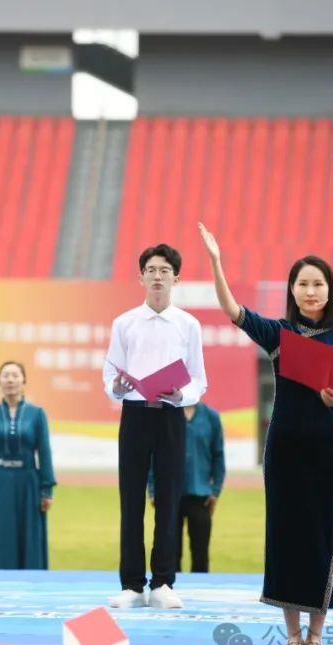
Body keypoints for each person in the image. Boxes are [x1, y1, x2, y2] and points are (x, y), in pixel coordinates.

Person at [200, 225, 333, 645]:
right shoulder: (278, 334)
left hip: (330, 452)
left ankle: (317, 636)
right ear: (292, 290)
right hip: (286, 451)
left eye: (318, 283)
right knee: (285, 538)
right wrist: (218, 263)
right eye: (303, 283)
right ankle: (291, 635)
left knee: (320, 539)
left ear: (329, 291)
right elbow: (233, 311)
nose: (311, 291)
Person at [102, 244, 207, 610]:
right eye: (151, 269)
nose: (158, 276)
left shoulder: (188, 325)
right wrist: (117, 387)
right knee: (131, 500)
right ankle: (132, 584)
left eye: (165, 270)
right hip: (134, 415)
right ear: (141, 277)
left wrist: (182, 394)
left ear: (176, 278)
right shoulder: (124, 323)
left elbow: (199, 380)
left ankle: (163, 582)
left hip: (169, 415)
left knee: (168, 499)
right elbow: (110, 375)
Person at [0, 361, 55, 569]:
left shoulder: (37, 414)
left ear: (23, 381)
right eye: (6, 375)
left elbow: (44, 451)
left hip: (28, 481)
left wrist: (46, 490)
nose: (10, 380)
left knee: (27, 532)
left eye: (15, 375)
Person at [148, 401, 224, 574]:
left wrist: (216, 490)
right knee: (171, 553)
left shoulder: (211, 417)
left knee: (200, 553)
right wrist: (152, 489)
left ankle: (201, 593)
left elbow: (218, 454)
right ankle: (170, 591)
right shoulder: (166, 414)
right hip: (170, 493)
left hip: (201, 494)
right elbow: (154, 453)